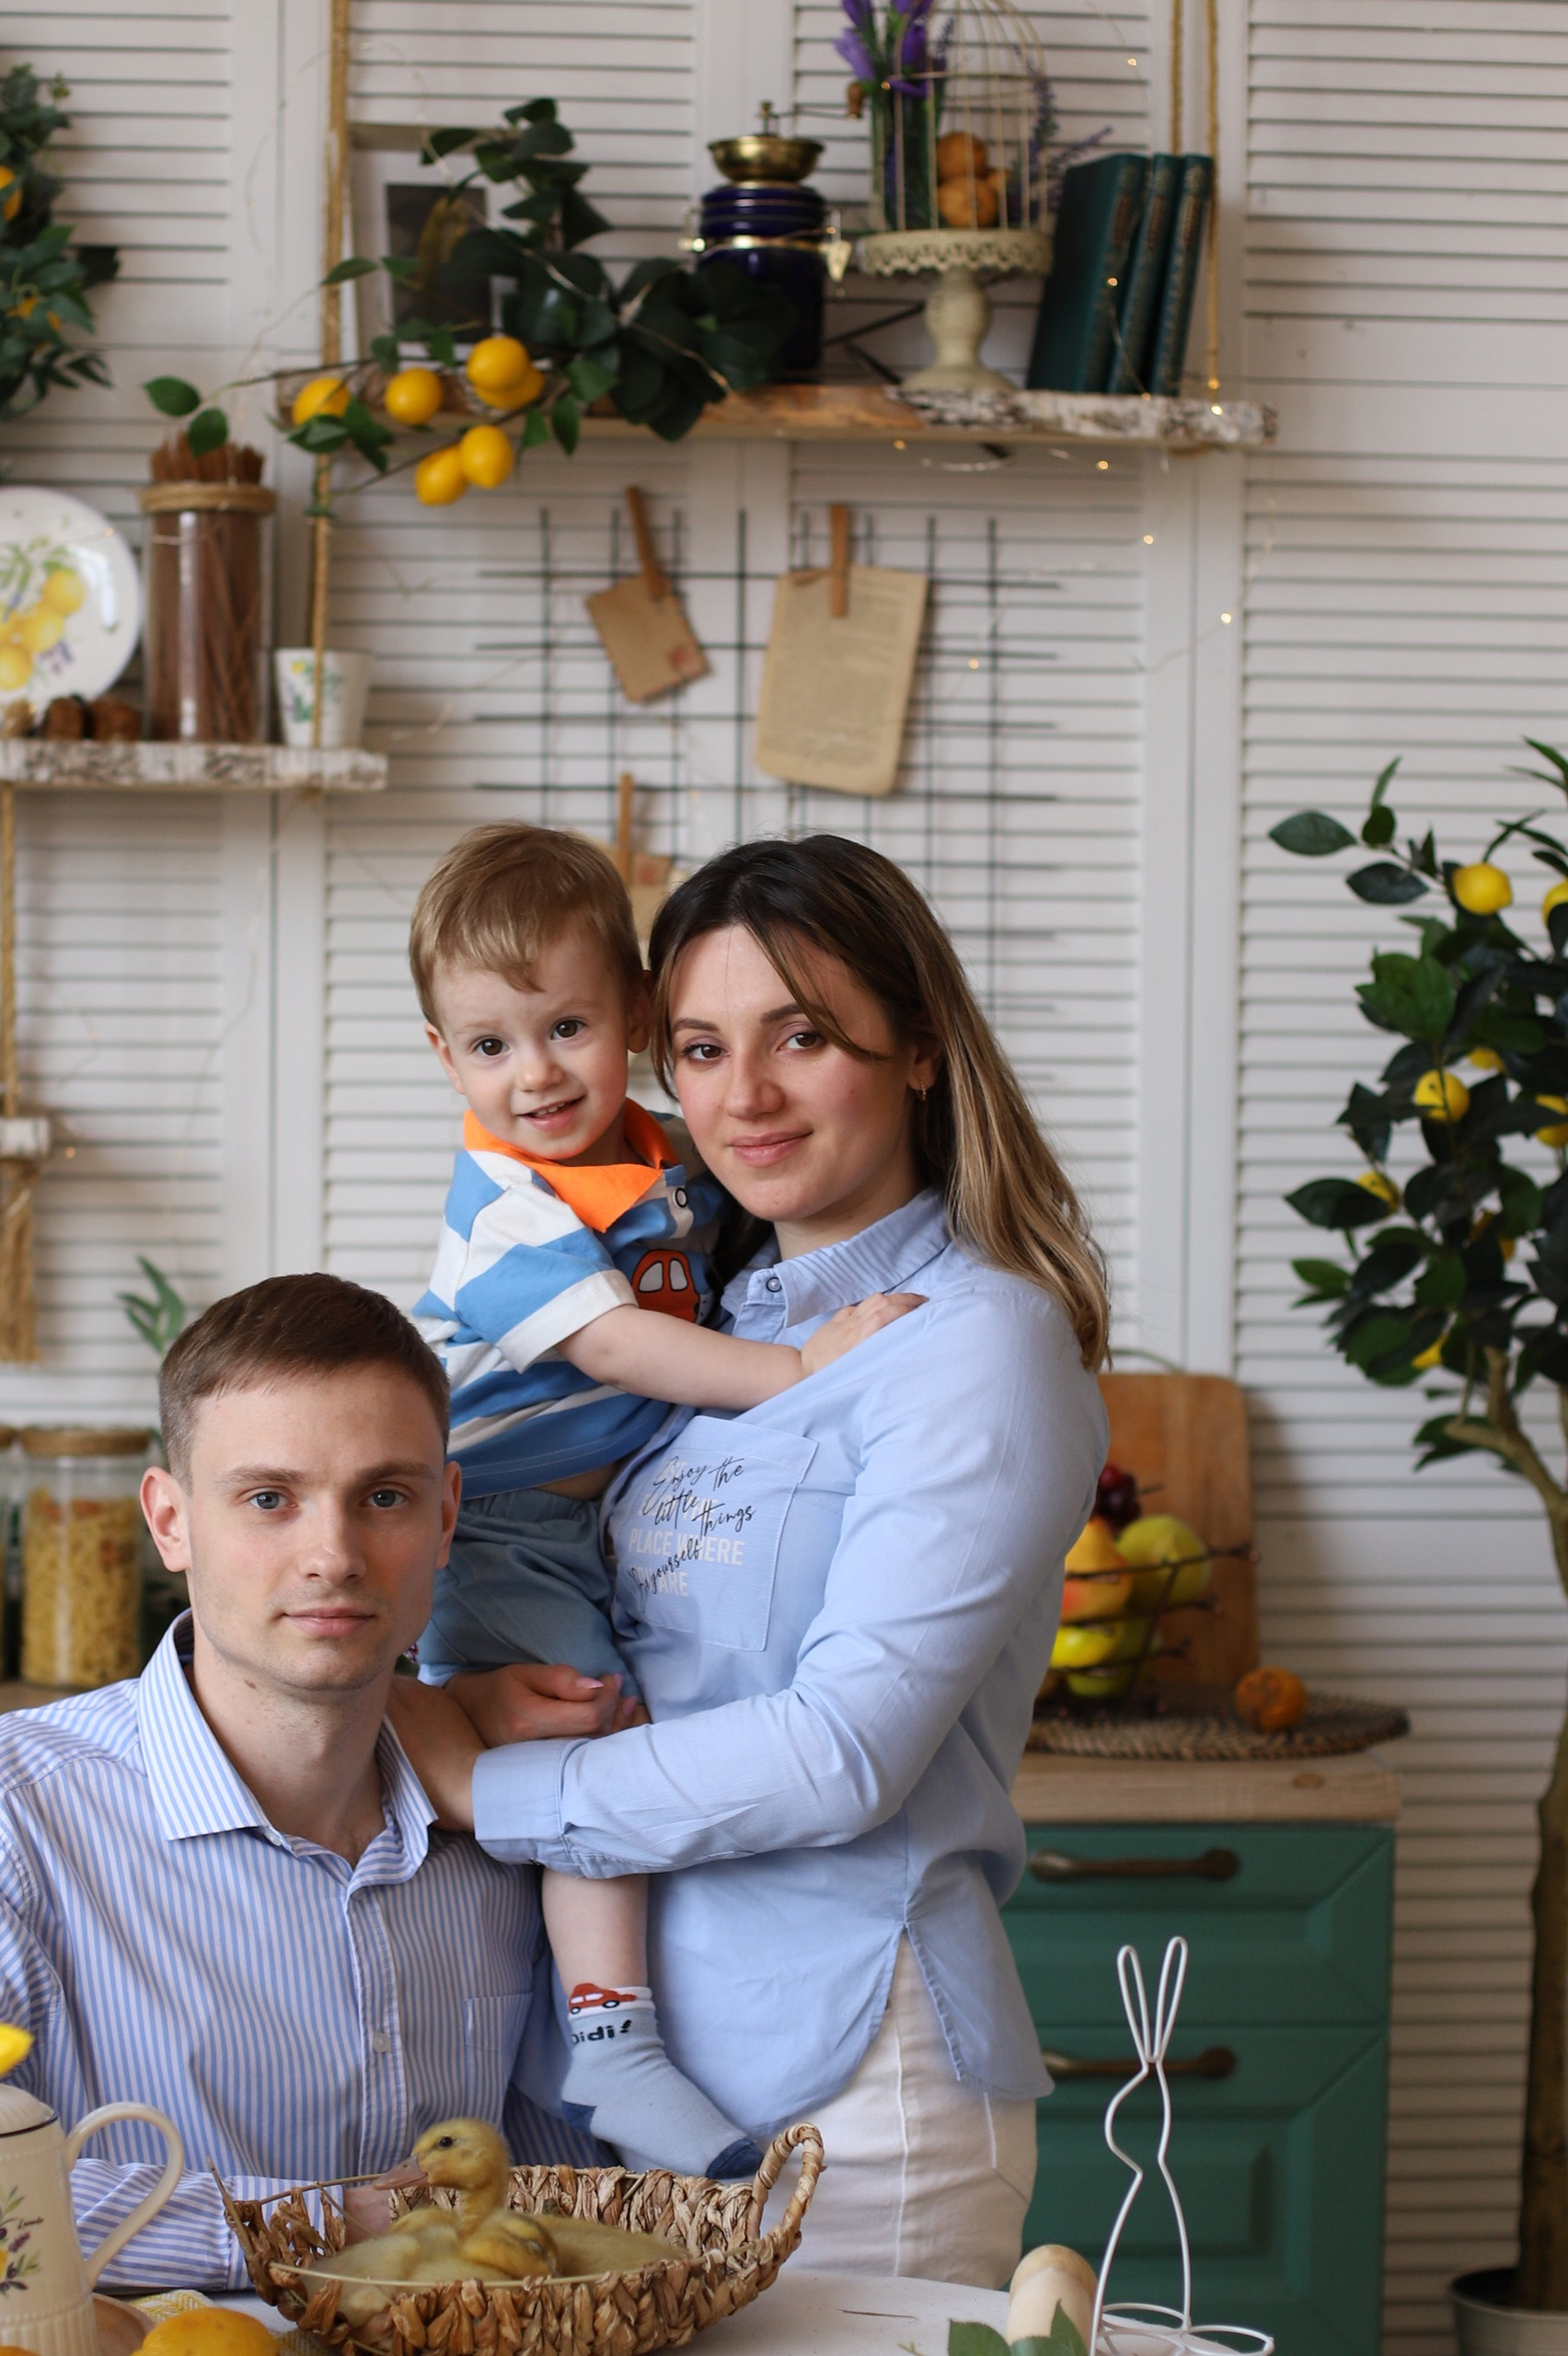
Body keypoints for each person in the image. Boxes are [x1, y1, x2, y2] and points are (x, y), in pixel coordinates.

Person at [388, 834, 1111, 2288]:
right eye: (705, 1049)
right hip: (628, 2088)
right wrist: (464, 1696)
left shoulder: (980, 1345)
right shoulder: (706, 1312)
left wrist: (486, 1786)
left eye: (803, 1037)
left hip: (848, 2086)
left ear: (919, 1047)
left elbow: (846, 1753)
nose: (744, 1098)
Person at [0, 1272, 593, 2291]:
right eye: (269, 1499)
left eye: (385, 1497)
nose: (333, 1555)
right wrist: (315, 2226)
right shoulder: (1, 1815)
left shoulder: (507, 1820)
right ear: (170, 1521)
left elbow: (565, 2184)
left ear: (446, 1516)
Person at [407, 823, 918, 2179]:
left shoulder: (656, 1157)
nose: (534, 1074)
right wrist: (799, 1369)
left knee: (591, 1732)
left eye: (567, 1028)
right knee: (583, 1748)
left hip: (579, 1522)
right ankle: (614, 2040)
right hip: (497, 1526)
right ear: (444, 1058)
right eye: (490, 1045)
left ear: (635, 1018)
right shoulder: (505, 1205)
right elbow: (619, 1346)